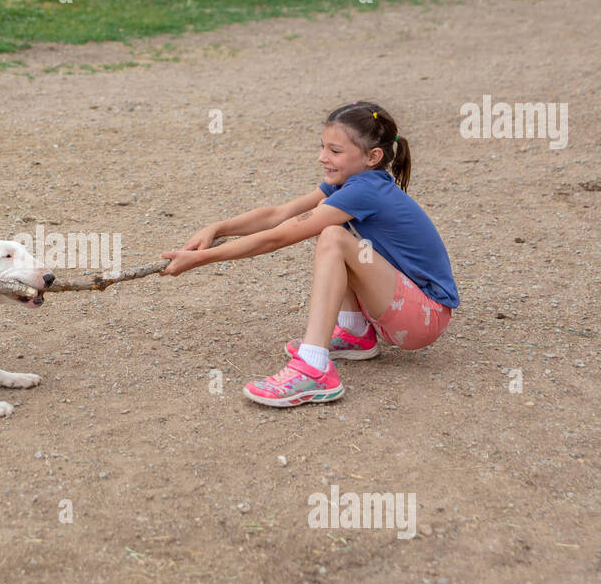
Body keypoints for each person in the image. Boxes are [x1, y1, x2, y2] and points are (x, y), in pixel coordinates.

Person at [160, 101, 459, 407]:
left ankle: (314, 370)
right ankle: (356, 333)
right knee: (333, 232)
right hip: (399, 307)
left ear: (373, 156)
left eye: (335, 151)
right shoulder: (350, 183)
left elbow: (277, 237)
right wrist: (218, 227)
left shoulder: (364, 191)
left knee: (332, 236)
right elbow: (279, 214)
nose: (322, 157)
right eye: (322, 147)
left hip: (425, 317)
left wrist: (200, 260)